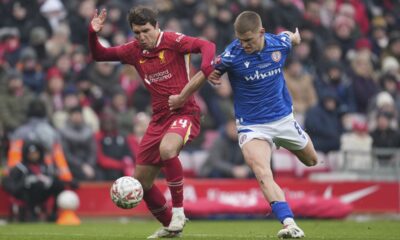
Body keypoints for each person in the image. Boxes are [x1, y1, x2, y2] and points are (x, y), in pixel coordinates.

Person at [169, 11, 318, 239]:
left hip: (283, 119)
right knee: (261, 172)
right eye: (240, 40)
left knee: (311, 160)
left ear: (261, 32)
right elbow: (202, 74)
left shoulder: (279, 44)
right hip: (252, 125)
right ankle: (289, 224)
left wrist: (295, 36)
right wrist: (181, 97)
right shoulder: (232, 54)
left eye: (248, 40)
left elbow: (291, 38)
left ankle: (294, 143)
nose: (244, 45)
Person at [89, 6, 215, 238]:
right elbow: (99, 55)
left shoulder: (173, 41)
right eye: (136, 32)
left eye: (146, 30)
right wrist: (92, 32)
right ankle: (171, 227)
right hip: (158, 119)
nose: (141, 37)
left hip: (185, 112)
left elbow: (207, 46)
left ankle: (178, 211)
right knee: (142, 183)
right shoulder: (134, 50)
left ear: (157, 26)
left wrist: (207, 67)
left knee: (168, 149)